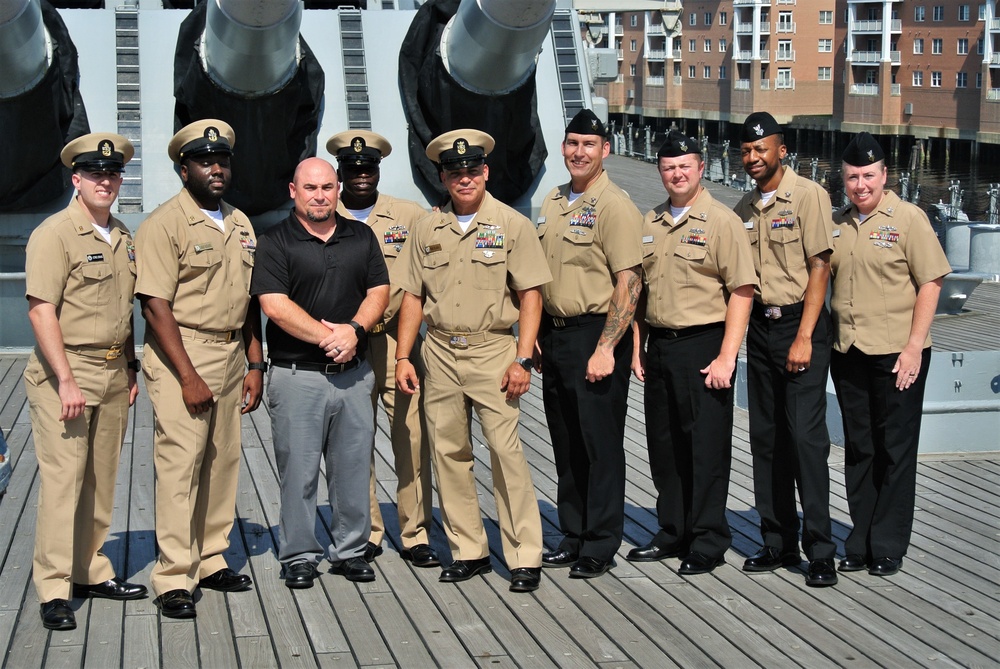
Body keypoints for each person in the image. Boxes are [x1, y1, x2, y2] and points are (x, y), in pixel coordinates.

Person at [393, 129, 550, 593]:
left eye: (472, 170)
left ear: (486, 172)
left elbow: (531, 296)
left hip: (493, 351)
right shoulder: (426, 227)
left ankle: (524, 555)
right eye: (454, 172)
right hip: (439, 351)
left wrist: (523, 358)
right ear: (443, 177)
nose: (464, 178)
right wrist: (404, 355)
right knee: (448, 453)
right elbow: (412, 297)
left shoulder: (511, 225)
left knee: (506, 454)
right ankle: (469, 549)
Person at [135, 119, 265, 618]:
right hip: (182, 354)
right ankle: (173, 573)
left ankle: (210, 557)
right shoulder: (165, 224)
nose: (216, 168)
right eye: (204, 161)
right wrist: (188, 375)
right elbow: (154, 305)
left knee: (222, 460)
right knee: (180, 463)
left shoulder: (240, 222)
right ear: (181, 168)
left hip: (233, 354)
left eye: (222, 160)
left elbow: (250, 299)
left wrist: (255, 361)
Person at [24, 133, 146, 630]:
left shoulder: (121, 235)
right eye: (96, 173)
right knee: (63, 481)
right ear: (76, 180)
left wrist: (132, 367)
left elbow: (124, 311)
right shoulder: (54, 234)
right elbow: (40, 309)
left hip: (114, 372)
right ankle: (54, 588)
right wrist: (66, 380)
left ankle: (88, 569)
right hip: (66, 373)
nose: (105, 181)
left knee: (99, 479)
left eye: (112, 174)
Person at [252, 157, 389, 587]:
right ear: (293, 191)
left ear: (338, 190)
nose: (320, 196)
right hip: (298, 377)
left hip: (353, 375)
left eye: (327, 187)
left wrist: (355, 330)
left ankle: (350, 549)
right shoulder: (275, 240)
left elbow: (379, 290)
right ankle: (298, 553)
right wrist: (328, 337)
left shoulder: (360, 236)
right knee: (299, 470)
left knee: (352, 468)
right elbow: (273, 304)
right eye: (310, 188)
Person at [628, 132, 757, 575]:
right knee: (664, 446)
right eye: (668, 167)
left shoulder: (721, 222)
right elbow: (638, 292)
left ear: (701, 168)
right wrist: (637, 345)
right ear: (660, 171)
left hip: (705, 345)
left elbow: (741, 291)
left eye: (685, 165)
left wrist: (728, 357)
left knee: (705, 448)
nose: (676, 174)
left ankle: (707, 539)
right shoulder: (651, 222)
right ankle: (672, 531)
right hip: (660, 346)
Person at [830, 133, 950, 577]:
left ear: (884, 175)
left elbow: (931, 283)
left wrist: (915, 346)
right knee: (859, 449)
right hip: (850, 351)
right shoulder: (838, 223)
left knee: (895, 450)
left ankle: (887, 544)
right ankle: (859, 540)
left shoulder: (909, 218)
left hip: (898, 354)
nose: (860, 185)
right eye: (852, 178)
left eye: (868, 176)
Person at [535, 109, 643, 578]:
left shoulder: (615, 205)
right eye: (572, 143)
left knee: (600, 444)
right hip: (556, 337)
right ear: (563, 148)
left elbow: (630, 280)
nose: (579, 152)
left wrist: (606, 347)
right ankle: (573, 531)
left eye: (589, 145)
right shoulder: (553, 201)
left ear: (605, 151)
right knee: (566, 441)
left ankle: (600, 540)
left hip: (596, 336)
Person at [733, 111, 838, 587]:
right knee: (766, 438)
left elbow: (820, 267)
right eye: (747, 150)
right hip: (761, 329)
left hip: (801, 325)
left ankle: (820, 549)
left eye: (762, 149)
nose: (753, 157)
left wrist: (803, 336)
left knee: (806, 440)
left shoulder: (808, 196)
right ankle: (777, 539)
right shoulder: (744, 208)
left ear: (782, 150)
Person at [326, 130, 438, 569]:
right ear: (340, 173)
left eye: (368, 169)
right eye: (352, 170)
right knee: (353, 440)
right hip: (344, 344)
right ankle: (368, 529)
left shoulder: (408, 216)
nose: (360, 176)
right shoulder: (322, 214)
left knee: (410, 436)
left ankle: (414, 532)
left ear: (377, 171)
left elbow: (432, 271)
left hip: (397, 341)